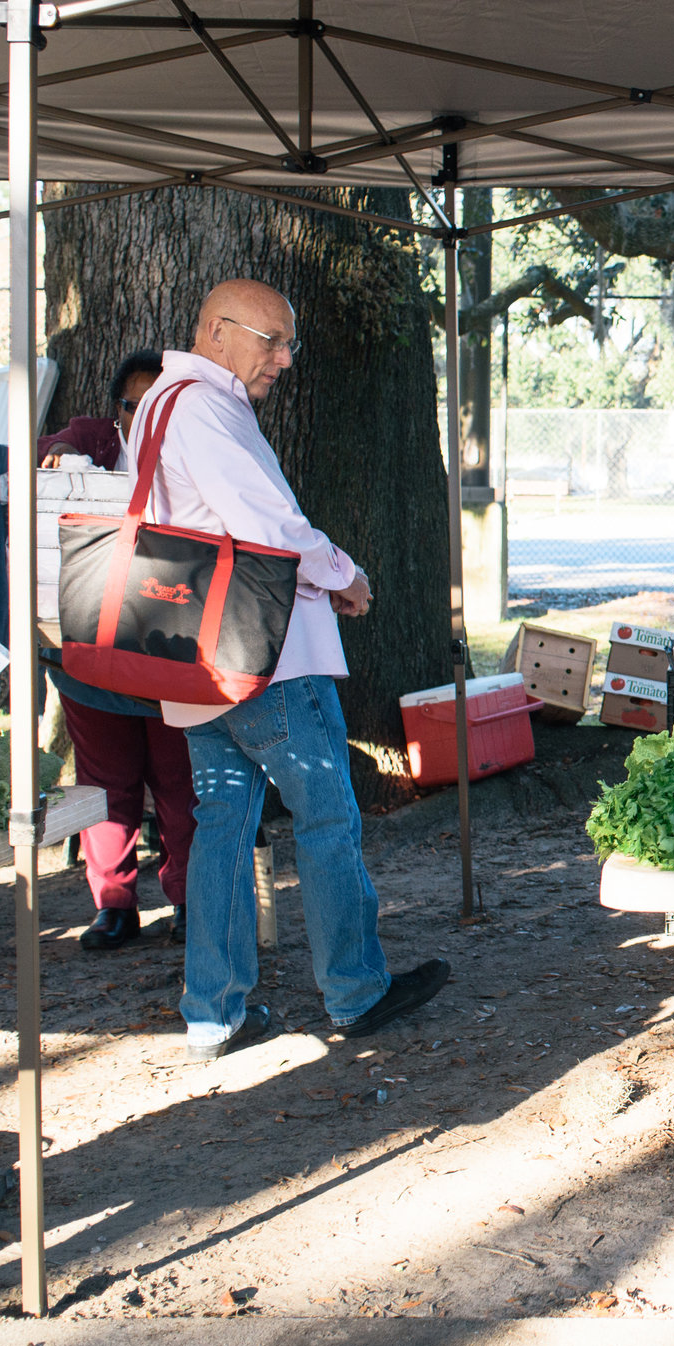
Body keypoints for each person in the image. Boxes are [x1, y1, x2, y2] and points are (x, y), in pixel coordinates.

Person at [128, 279, 449, 1063]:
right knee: (328, 818)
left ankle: (213, 1010)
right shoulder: (204, 405)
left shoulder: (160, 403)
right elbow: (264, 523)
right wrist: (341, 572)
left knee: (223, 831)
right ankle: (355, 990)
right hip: (263, 656)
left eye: (290, 343)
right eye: (272, 340)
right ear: (215, 330)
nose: (286, 359)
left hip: (195, 653)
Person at [40, 351, 195, 951]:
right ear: (118, 410)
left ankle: (187, 896)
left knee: (181, 780)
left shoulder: (198, 457)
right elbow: (39, 458)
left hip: (170, 647)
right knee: (106, 784)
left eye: (159, 402)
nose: (144, 414)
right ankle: (114, 904)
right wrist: (58, 458)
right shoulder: (92, 440)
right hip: (88, 646)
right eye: (133, 404)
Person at [39, 349, 162, 471]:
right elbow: (34, 449)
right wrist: (58, 449)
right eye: (136, 407)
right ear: (119, 408)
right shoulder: (95, 436)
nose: (146, 416)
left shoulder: (179, 444)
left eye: (159, 408)